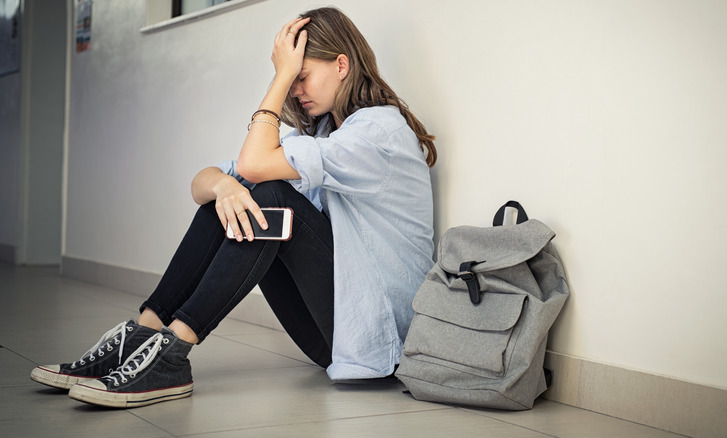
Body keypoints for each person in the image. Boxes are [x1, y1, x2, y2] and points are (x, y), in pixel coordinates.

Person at [29, 7, 437, 408]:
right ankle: (142, 335)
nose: (295, 90)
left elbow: (253, 165)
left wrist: (279, 77)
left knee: (270, 197)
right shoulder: (325, 133)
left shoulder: (378, 132)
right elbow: (202, 183)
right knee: (227, 200)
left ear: (342, 65)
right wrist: (224, 187)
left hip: (380, 340)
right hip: (337, 336)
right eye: (290, 80)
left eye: (301, 77)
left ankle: (172, 354)